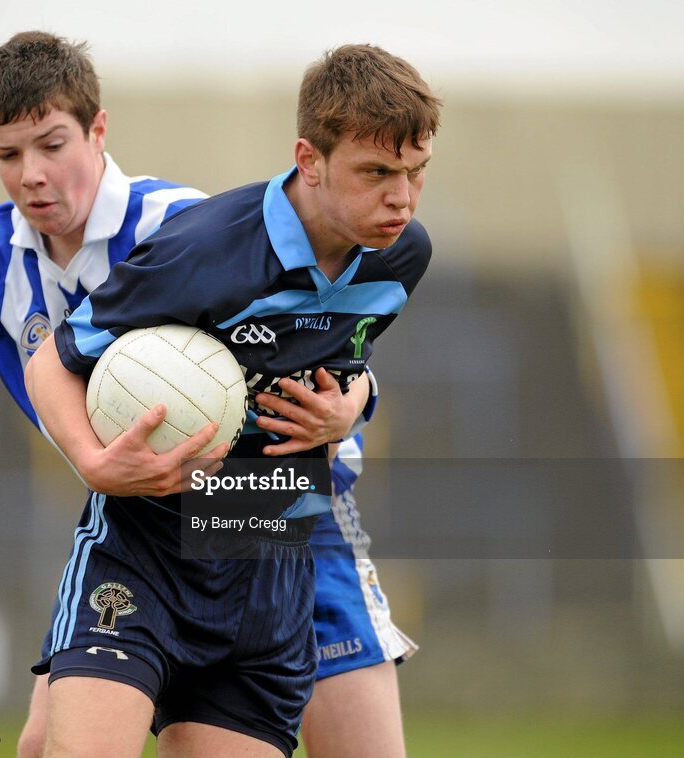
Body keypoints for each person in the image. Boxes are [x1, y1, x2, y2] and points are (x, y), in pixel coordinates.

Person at [0, 32, 431, 758]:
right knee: (46, 742)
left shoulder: (183, 225)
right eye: (8, 156)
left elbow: (321, 345)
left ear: (97, 129)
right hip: (154, 512)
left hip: (289, 514)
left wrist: (354, 403)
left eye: (50, 146)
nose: (32, 175)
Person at [24, 42, 439, 758]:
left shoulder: (403, 253)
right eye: (376, 173)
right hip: (148, 544)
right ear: (309, 160)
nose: (400, 197)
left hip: (270, 544)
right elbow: (51, 362)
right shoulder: (206, 250)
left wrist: (353, 404)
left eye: (415, 173)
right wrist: (94, 464)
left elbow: (349, 357)